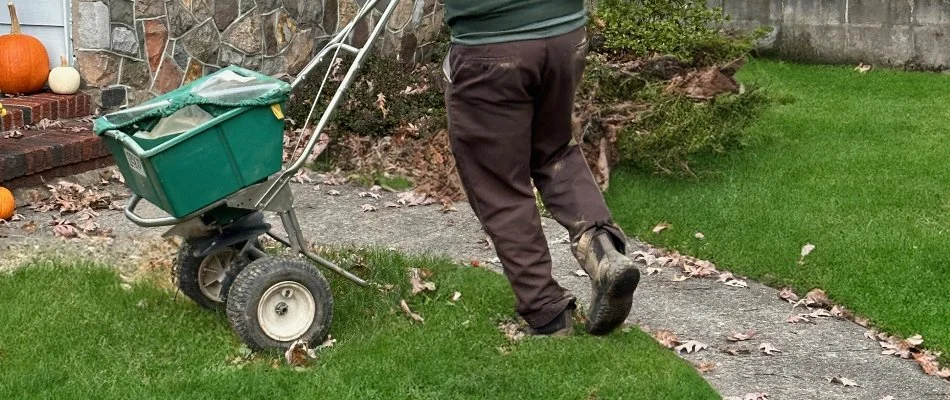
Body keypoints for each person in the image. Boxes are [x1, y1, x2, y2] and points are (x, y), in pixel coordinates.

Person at [441, 1, 641, 336]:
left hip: (493, 45)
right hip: (564, 35)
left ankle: (546, 311)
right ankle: (603, 251)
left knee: (498, 181)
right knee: (554, 151)